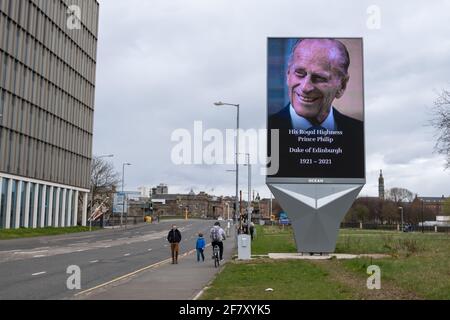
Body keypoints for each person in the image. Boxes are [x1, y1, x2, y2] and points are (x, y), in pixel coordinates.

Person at [268, 38, 364, 178]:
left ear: (342, 85)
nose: (306, 87)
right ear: (288, 74)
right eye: (299, 73)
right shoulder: (269, 132)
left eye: (319, 78)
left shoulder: (358, 134)